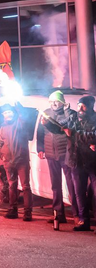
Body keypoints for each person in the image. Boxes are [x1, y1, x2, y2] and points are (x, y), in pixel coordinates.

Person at [37, 90, 78, 226]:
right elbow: (40, 132)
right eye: (52, 101)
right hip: (51, 153)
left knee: (71, 184)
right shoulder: (46, 113)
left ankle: (77, 214)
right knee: (55, 185)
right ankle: (58, 214)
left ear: (63, 102)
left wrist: (66, 112)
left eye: (57, 101)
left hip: (65, 153)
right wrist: (40, 148)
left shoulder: (69, 114)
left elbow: (66, 127)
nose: (54, 104)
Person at [0, 103, 34, 221]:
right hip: (8, 161)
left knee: (25, 186)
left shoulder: (20, 123)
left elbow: (23, 117)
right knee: (12, 186)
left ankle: (27, 212)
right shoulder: (3, 127)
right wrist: (0, 154)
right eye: (5, 113)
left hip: (21, 160)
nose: (7, 114)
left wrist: (18, 106)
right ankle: (13, 210)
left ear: (14, 113)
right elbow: (0, 142)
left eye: (9, 112)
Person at [67, 95, 96, 232]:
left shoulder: (94, 119)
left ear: (89, 106)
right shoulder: (73, 119)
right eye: (78, 105)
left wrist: (75, 134)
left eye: (83, 106)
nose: (80, 108)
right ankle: (83, 220)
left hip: (92, 162)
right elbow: (62, 128)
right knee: (79, 192)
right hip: (77, 161)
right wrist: (48, 124)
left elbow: (92, 136)